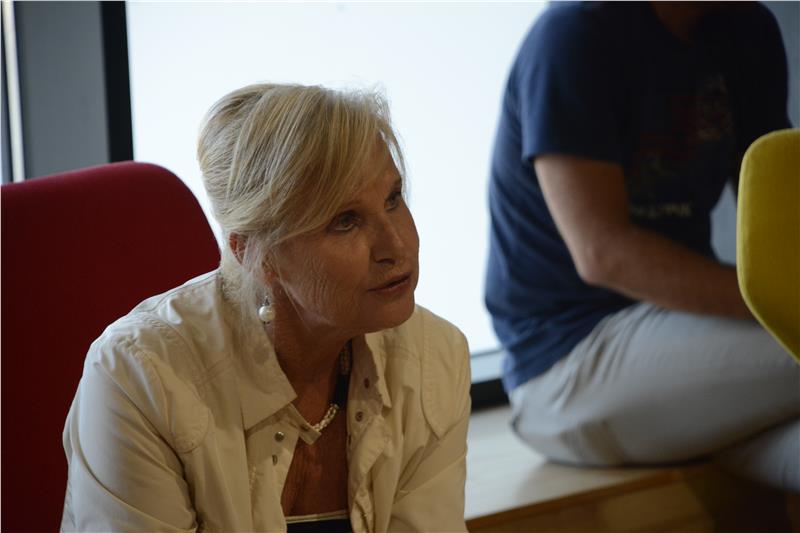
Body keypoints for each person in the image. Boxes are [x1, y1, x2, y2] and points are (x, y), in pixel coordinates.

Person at [62, 83, 471, 532]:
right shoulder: (138, 379)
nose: (397, 245)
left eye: (393, 198)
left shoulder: (434, 356)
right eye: (346, 221)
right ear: (258, 256)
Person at [485, 1, 800, 490]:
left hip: (683, 336)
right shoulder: (574, 35)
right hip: (569, 362)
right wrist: (783, 304)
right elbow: (603, 255)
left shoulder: (746, 29)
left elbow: (778, 214)